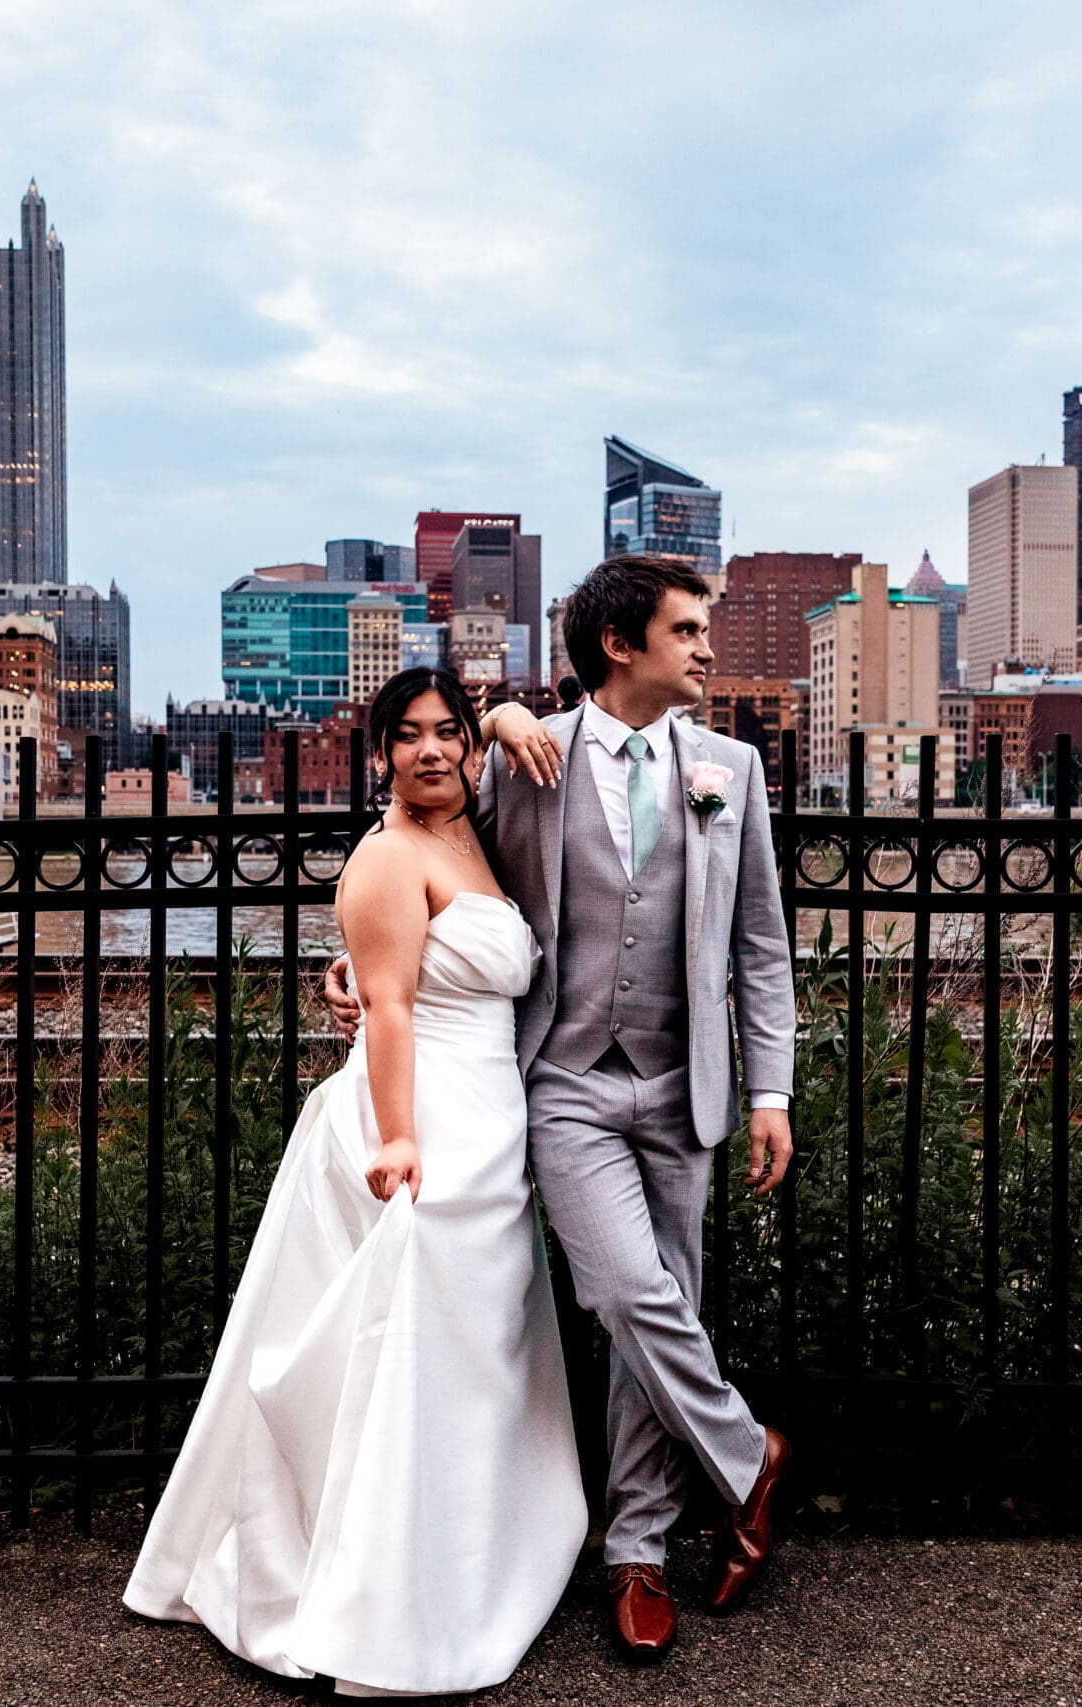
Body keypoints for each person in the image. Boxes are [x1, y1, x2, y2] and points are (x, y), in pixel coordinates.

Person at [326, 554, 798, 1659]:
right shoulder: (526, 756)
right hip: (569, 1083)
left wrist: (767, 1087)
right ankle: (750, 1457)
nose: (707, 649)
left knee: (663, 1302)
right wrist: (350, 964)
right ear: (619, 646)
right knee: (627, 1290)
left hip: (688, 1086)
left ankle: (637, 1552)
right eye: (686, 631)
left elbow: (761, 945)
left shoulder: (730, 767)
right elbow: (419, 844)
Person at [123, 667, 584, 1698]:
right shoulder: (384, 862)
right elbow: (386, 1011)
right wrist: (400, 1139)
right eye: (408, 737)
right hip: (425, 1124)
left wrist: (504, 713)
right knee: (405, 1356)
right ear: (378, 755)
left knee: (477, 1357)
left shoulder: (470, 829)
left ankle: (464, 1564)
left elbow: (531, 732)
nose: (431, 751)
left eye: (446, 733)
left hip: (490, 1114)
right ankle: (376, 1600)